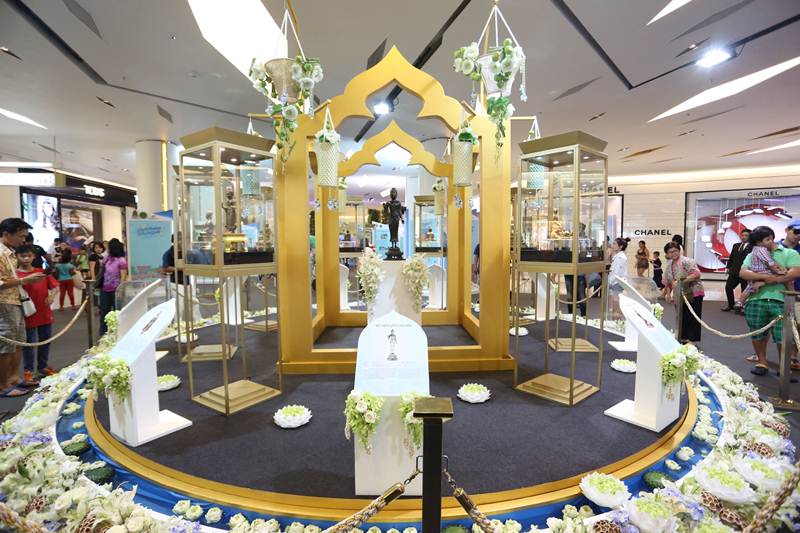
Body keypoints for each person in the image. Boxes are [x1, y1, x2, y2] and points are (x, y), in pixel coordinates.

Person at [739, 225, 800, 376]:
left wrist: (766, 281)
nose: (762, 243)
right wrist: (767, 277)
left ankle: (784, 367)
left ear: (772, 238)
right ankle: (762, 362)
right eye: (758, 241)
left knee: (784, 336)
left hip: (782, 300)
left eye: (765, 240)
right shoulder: (753, 253)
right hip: (756, 299)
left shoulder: (789, 253)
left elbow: (793, 273)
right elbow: (743, 273)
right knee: (757, 333)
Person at [0, 218, 45, 397]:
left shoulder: (10, 252)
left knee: (18, 341)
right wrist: (23, 280)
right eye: (20, 236)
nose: (23, 240)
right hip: (4, 302)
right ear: (6, 234)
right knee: (7, 344)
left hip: (15, 300)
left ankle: (13, 378)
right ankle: (3, 385)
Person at [16, 244, 58, 386]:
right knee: (29, 344)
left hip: (44, 312)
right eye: (23, 256)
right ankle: (28, 371)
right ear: (17, 257)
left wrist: (52, 296)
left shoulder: (41, 272)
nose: (26, 259)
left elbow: (55, 286)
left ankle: (43, 367)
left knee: (45, 340)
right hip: (27, 314)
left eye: (29, 256)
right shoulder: (16, 276)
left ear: (34, 256)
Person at [663, 241, 704, 344]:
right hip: (680, 295)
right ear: (667, 254)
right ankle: (683, 337)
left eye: (675, 251)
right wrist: (668, 294)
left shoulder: (687, 261)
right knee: (682, 316)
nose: (673, 253)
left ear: (679, 250)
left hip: (693, 292)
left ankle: (692, 340)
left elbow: (696, 274)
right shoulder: (669, 265)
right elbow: (669, 281)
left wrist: (681, 281)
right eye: (670, 252)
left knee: (693, 316)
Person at [737, 227, 788, 308]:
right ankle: (761, 284)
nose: (771, 241)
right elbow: (769, 262)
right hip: (762, 271)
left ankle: (740, 302)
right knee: (780, 277)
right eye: (768, 240)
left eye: (772, 239)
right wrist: (778, 271)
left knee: (749, 289)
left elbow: (771, 261)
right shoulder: (761, 250)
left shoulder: (756, 249)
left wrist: (778, 266)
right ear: (758, 241)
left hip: (757, 271)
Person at [98, 239, 127, 336]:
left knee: (117, 311)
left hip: (116, 290)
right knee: (104, 312)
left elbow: (123, 276)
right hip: (105, 289)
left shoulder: (121, 260)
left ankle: (118, 331)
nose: (107, 249)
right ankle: (104, 332)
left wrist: (121, 290)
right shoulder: (106, 259)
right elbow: (102, 271)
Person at [722, 229, 751, 313]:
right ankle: (730, 305)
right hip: (734, 272)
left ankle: (743, 307)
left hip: (746, 273)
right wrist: (728, 267)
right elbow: (731, 258)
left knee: (744, 290)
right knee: (728, 288)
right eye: (742, 235)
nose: (744, 237)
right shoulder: (736, 245)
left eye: (746, 235)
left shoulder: (753, 247)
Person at [608, 237, 630, 319]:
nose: (613, 245)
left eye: (615, 244)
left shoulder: (620, 257)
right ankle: (615, 322)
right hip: (616, 283)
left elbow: (616, 273)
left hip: (617, 283)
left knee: (616, 306)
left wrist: (610, 282)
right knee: (615, 306)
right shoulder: (618, 256)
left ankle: (616, 323)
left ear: (620, 246)